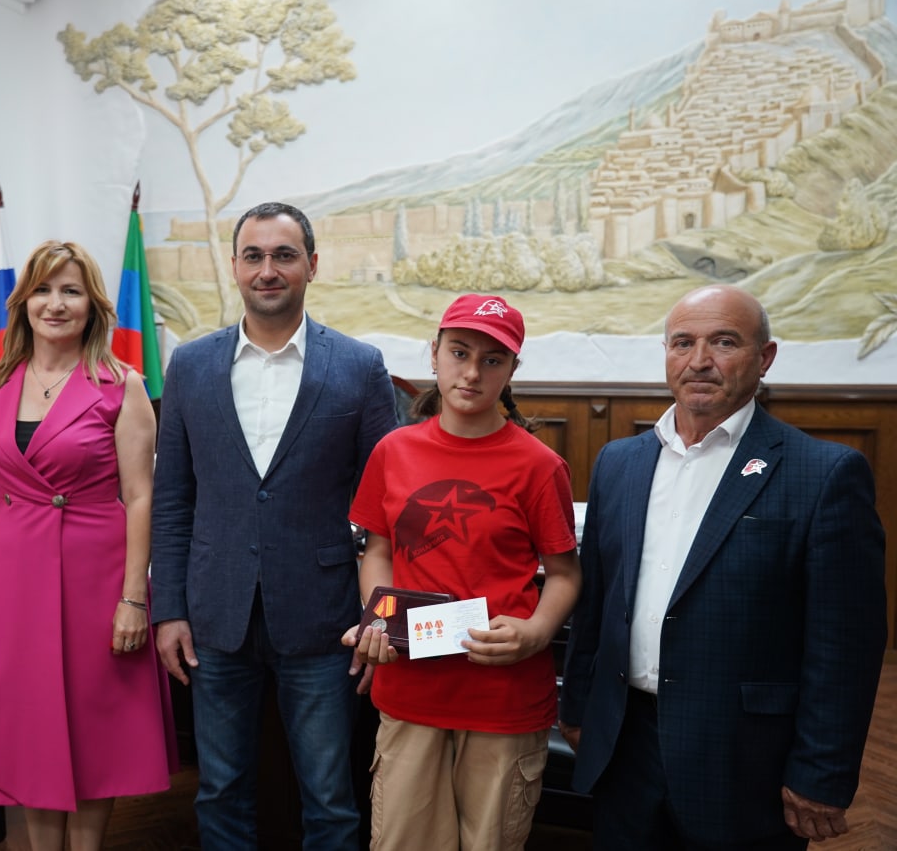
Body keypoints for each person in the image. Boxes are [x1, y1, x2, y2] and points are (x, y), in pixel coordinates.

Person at [559, 284, 887, 850]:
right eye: (682, 342)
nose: (699, 361)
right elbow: (597, 602)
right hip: (624, 745)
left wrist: (822, 772)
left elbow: (845, 645)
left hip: (742, 759)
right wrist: (579, 705)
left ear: (765, 358)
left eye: (725, 342)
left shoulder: (823, 474)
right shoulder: (620, 462)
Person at [151, 201, 397, 850]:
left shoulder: (359, 366)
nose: (268, 270)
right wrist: (168, 609)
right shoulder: (191, 366)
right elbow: (172, 499)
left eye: (284, 255)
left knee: (331, 798)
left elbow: (390, 510)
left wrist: (381, 619)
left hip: (325, 618)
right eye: (254, 256)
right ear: (234, 266)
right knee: (220, 791)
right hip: (215, 616)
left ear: (311, 265)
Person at [0, 239, 176, 851]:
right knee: (28, 726)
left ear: (92, 305)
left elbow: (141, 497)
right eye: (43, 290)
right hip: (11, 580)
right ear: (23, 303)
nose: (56, 303)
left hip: (96, 577)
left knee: (93, 724)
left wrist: (134, 598)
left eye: (71, 291)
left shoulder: (121, 385)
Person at [345, 293, 581, 851]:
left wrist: (537, 631)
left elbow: (565, 574)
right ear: (434, 354)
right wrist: (378, 619)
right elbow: (377, 550)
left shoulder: (539, 466)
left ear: (512, 370)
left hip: (503, 696)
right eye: (459, 353)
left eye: (491, 360)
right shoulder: (393, 451)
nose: (472, 373)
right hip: (411, 689)